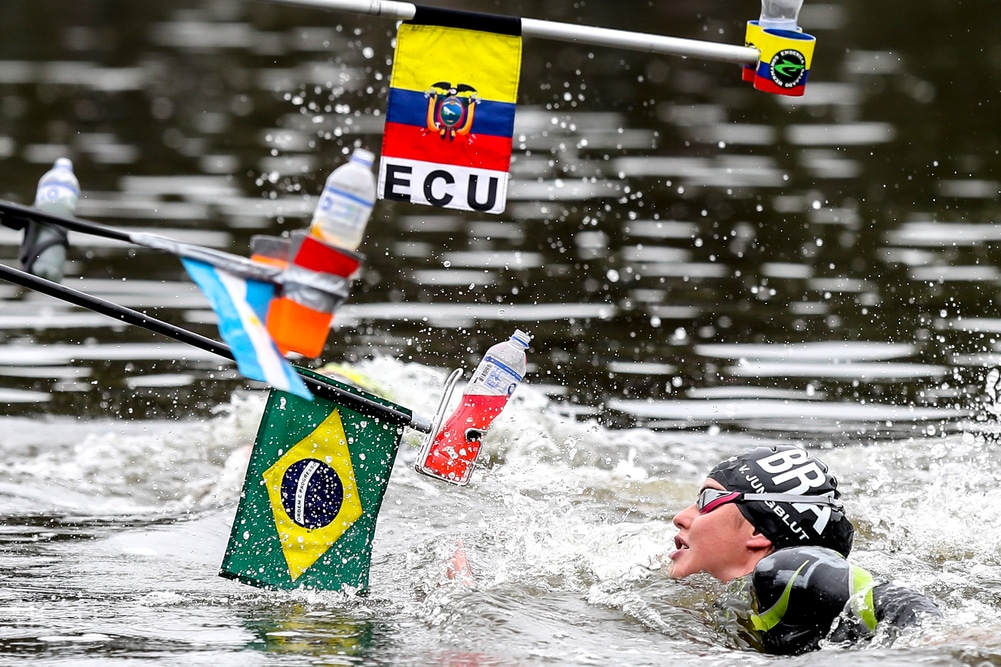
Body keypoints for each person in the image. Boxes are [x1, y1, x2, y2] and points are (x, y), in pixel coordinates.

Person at [669, 445, 941, 654]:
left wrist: (943, 643)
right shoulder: (735, 591)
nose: (681, 517)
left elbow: (900, 604)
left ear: (758, 530)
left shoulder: (784, 571)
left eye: (707, 500)